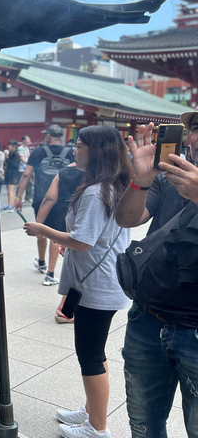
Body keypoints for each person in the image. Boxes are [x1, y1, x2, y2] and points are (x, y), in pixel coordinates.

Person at [24, 125, 131, 438]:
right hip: (100, 280)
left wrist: (42, 230)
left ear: (96, 151)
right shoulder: (110, 185)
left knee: (90, 355)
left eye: (80, 145)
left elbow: (83, 240)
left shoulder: (97, 192)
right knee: (95, 351)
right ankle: (91, 410)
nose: (74, 150)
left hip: (96, 285)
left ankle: (98, 428)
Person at [115, 114, 198, 438]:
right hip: (147, 321)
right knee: (143, 427)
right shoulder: (170, 179)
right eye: (195, 129)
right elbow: (127, 218)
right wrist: (141, 179)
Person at [15, 125, 74, 275]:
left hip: (41, 198)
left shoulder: (38, 152)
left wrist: (18, 197)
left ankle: (42, 262)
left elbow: (27, 174)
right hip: (64, 198)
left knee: (40, 227)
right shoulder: (70, 153)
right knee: (55, 232)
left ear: (48, 136)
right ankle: (51, 273)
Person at [34, 164, 85, 288]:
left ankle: (44, 266)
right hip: (78, 210)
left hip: (58, 208)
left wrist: (38, 224)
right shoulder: (94, 172)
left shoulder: (64, 171)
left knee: (52, 235)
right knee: (57, 239)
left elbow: (49, 198)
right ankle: (50, 273)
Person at [3, 140, 20, 211]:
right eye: (9, 145)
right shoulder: (11, 154)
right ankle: (9, 204)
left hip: (13, 174)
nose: (9, 147)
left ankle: (10, 206)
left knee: (10, 191)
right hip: (9, 173)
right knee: (8, 191)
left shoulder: (15, 154)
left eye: (10, 145)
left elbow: (14, 164)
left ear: (14, 146)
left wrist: (7, 158)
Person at [18, 135, 32, 201]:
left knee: (29, 183)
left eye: (29, 139)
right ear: (23, 141)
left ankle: (28, 197)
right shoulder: (21, 148)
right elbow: (21, 158)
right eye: (27, 139)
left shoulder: (27, 148)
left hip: (27, 168)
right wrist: (28, 164)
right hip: (22, 168)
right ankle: (19, 197)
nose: (29, 141)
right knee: (22, 182)